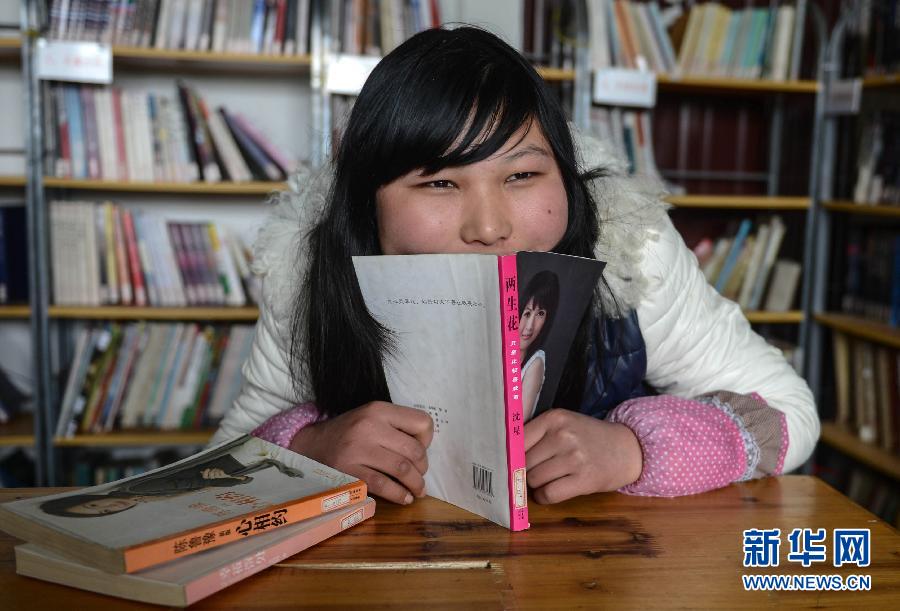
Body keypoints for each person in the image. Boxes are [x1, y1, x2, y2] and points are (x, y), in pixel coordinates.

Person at [212, 26, 818, 506]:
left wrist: (636, 449)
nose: (490, 226)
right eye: (441, 182)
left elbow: (789, 413)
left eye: (523, 175)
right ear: (369, 204)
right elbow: (221, 466)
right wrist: (309, 448)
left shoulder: (634, 252)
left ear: (564, 174)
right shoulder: (311, 272)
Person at [41, 437, 303, 518]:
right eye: (100, 513)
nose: (109, 507)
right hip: (235, 474)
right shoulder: (144, 504)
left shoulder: (141, 488)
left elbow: (196, 482)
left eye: (94, 504)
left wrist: (224, 481)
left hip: (234, 462)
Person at [518, 270, 560, 422]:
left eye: (540, 314)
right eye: (527, 313)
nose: (530, 327)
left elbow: (518, 424)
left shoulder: (535, 363)